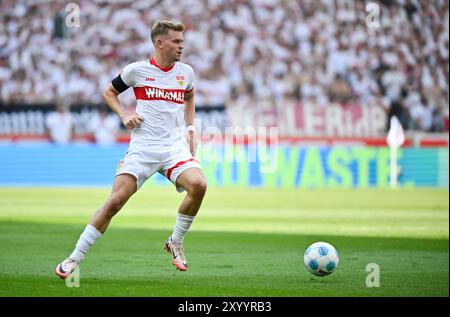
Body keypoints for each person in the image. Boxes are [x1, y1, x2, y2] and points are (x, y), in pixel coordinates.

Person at [55, 20, 207, 277]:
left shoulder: (186, 72)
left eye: (182, 41)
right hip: (143, 147)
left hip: (173, 147)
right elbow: (109, 92)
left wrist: (191, 129)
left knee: (199, 185)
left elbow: (189, 96)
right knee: (114, 202)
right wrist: (124, 115)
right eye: (176, 41)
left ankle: (176, 241)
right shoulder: (137, 71)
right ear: (160, 43)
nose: (182, 46)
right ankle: (73, 258)